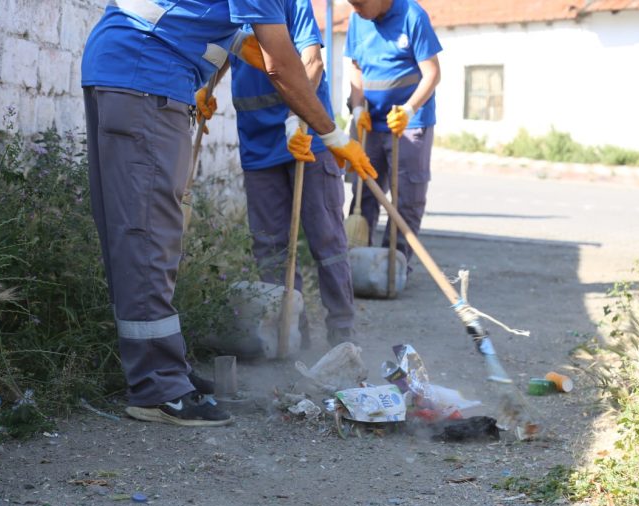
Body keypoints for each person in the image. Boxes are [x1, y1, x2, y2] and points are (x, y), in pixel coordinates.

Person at [81, 0, 377, 427]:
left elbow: (239, 37)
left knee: (139, 230)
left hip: (130, 70)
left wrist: (210, 84)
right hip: (145, 77)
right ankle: (158, 388)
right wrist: (329, 132)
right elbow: (278, 62)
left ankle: (163, 370)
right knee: (148, 235)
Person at [229, 0, 356, 348]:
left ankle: (342, 332)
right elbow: (217, 47)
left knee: (326, 238)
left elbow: (312, 61)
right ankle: (289, 334)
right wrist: (205, 90)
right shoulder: (223, 5)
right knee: (269, 247)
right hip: (257, 144)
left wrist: (296, 117)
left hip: (305, 137)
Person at [345, 0, 442, 267]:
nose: (356, 10)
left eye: (360, 4)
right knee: (364, 194)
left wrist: (409, 111)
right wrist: (356, 107)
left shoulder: (413, 16)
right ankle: (360, 264)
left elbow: (432, 73)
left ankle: (393, 266)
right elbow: (356, 66)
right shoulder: (358, 19)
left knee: (406, 199)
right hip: (370, 121)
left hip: (408, 123)